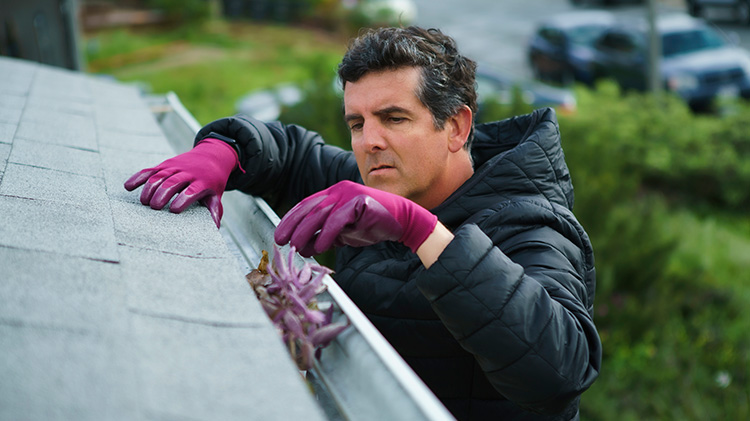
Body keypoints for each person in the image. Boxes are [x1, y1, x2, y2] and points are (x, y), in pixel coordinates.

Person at [124, 26, 601, 420]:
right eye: (357, 123)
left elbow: (560, 373)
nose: (369, 141)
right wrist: (224, 150)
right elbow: (290, 154)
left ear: (456, 127)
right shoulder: (378, 185)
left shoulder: (534, 227)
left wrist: (421, 232)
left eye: (394, 118)